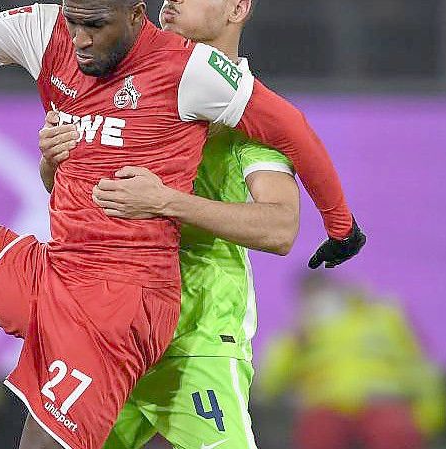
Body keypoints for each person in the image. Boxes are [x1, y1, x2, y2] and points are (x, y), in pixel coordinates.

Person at [0, 1, 365, 449]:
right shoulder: (45, 31)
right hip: (54, 271)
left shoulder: (194, 73)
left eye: (95, 24)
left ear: (136, 13)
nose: (79, 38)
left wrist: (339, 225)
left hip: (119, 310)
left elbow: (292, 132)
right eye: (74, 20)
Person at [34, 2, 301, 448]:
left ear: (237, 7)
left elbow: (281, 228)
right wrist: (53, 160)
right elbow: (71, 193)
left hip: (196, 340)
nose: (170, 2)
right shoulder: (123, 88)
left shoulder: (250, 115)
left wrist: (166, 202)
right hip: (110, 330)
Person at [258, 273, 446, 449]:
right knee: (320, 429)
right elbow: (268, 384)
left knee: (391, 428)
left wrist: (429, 416)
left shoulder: (383, 317)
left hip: (382, 400)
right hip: (326, 405)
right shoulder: (298, 333)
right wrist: (295, 339)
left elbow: (419, 364)